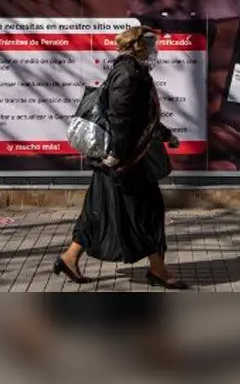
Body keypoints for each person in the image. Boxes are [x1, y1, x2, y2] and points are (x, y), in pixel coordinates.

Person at [54, 26, 189, 289]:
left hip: (123, 160)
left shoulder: (135, 71)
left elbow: (141, 116)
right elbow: (121, 119)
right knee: (148, 211)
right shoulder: (127, 74)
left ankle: (69, 258)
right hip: (124, 162)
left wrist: (165, 134)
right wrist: (116, 154)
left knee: (99, 210)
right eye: (152, 45)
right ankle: (158, 270)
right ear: (139, 46)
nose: (156, 50)